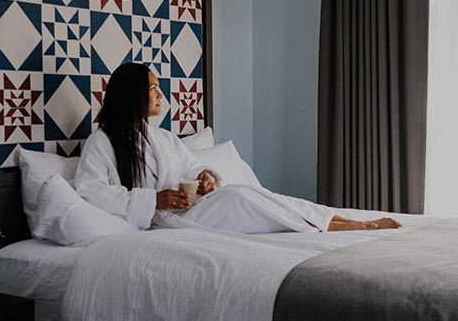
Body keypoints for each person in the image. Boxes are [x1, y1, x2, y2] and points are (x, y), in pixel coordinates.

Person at [74, 63, 402, 234]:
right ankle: (337, 225)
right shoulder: (102, 142)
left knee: (252, 195)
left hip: (193, 207)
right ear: (133, 94)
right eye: (154, 88)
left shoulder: (162, 138)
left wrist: (204, 177)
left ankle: (339, 221)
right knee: (241, 197)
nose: (160, 95)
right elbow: (90, 190)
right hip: (167, 220)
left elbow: (189, 168)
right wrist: (152, 200)